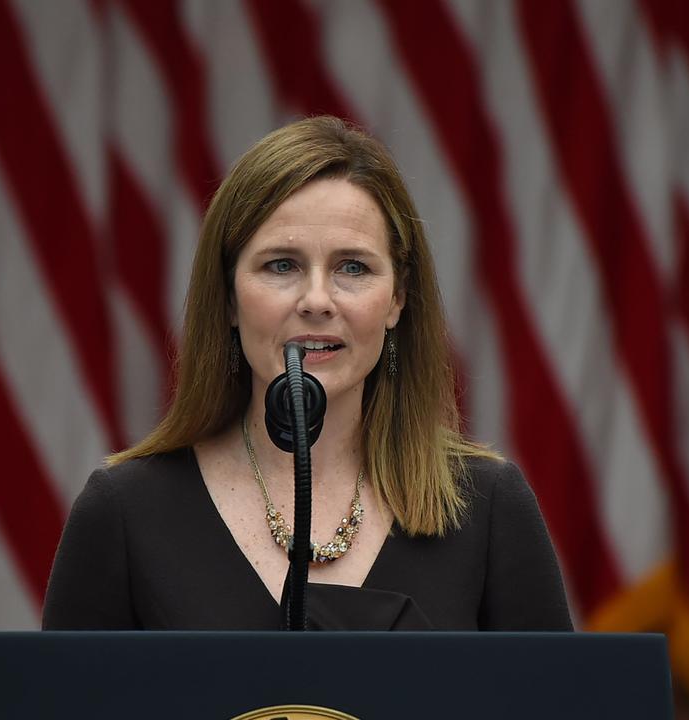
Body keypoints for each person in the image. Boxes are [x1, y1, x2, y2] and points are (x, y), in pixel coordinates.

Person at [42, 116, 572, 631]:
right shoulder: (124, 513)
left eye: (353, 267)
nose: (317, 300)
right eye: (281, 265)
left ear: (398, 300)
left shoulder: (487, 507)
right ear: (228, 298)